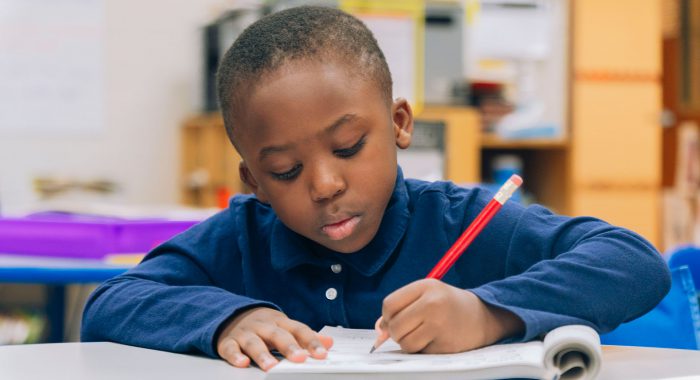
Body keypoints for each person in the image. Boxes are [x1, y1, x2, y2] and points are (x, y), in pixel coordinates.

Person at [81, 6, 671, 372]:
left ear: (399, 124)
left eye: (347, 148)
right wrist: (228, 319)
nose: (325, 184)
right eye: (285, 172)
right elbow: (110, 304)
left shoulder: (466, 221)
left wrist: (485, 314)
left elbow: (634, 264)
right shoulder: (241, 241)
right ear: (254, 182)